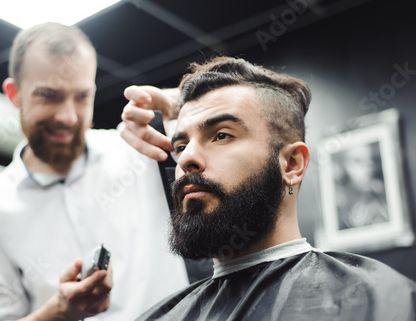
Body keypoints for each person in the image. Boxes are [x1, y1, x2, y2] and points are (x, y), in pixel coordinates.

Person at [121, 56, 416, 321]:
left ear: (291, 164)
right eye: (181, 145)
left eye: (221, 135)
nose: (185, 159)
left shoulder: (379, 302)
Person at [0, 22, 189, 321]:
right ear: (14, 93)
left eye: (82, 97)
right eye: (49, 95)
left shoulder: (140, 148)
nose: (68, 117)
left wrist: (188, 104)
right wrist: (59, 311)